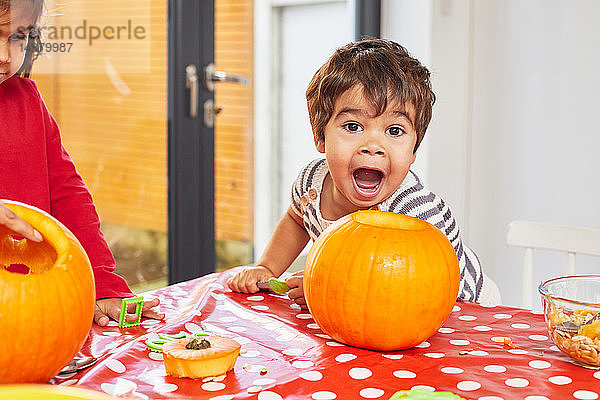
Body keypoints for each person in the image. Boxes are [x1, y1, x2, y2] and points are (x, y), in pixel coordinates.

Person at [228, 38, 500, 307]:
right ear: (320, 136)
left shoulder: (414, 213)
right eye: (353, 127)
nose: (373, 146)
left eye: (394, 131)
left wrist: (324, 288)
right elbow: (296, 221)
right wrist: (267, 267)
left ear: (414, 149)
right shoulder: (311, 184)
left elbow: (413, 288)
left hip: (462, 307)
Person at [0, 0, 164, 325]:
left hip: (39, 302)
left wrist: (99, 282)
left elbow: (68, 194)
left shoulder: (28, 99)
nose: (5, 55)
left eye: (19, 36)